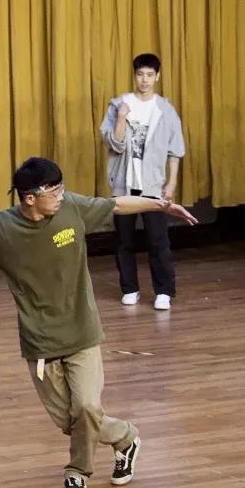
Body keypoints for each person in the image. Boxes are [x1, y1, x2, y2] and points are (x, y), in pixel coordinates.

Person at [0, 157, 197, 488]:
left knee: (87, 408)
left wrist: (160, 205)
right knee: (70, 420)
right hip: (40, 341)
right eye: (54, 191)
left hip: (82, 332)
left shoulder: (71, 208)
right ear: (30, 197)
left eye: (61, 188)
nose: (61, 195)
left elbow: (116, 205)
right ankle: (125, 437)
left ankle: (77, 472)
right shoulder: (0, 228)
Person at [100, 53, 186, 311]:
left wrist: (171, 183)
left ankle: (164, 291)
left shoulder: (165, 110)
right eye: (140, 74)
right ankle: (130, 289)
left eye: (150, 75)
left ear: (157, 76)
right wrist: (121, 118)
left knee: (158, 240)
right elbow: (113, 143)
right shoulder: (119, 105)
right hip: (123, 186)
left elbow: (175, 150)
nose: (145, 80)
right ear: (134, 75)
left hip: (153, 186)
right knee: (124, 240)